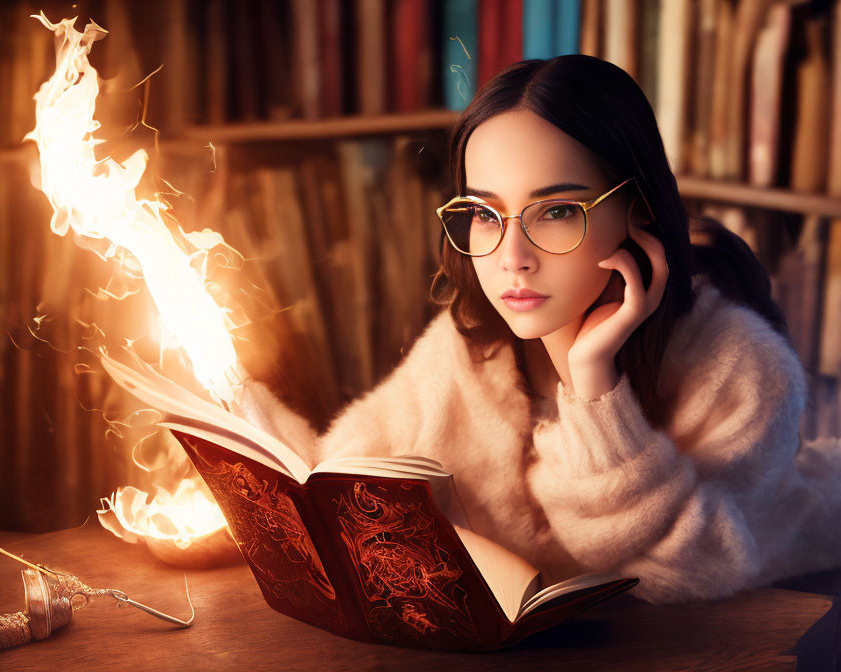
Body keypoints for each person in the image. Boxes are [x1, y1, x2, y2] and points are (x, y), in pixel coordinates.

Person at [240, 55, 841, 604]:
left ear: (639, 209)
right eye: (483, 213)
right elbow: (340, 476)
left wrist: (593, 386)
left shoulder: (743, 371)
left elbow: (682, 577)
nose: (511, 257)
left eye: (556, 211)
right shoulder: (468, 347)